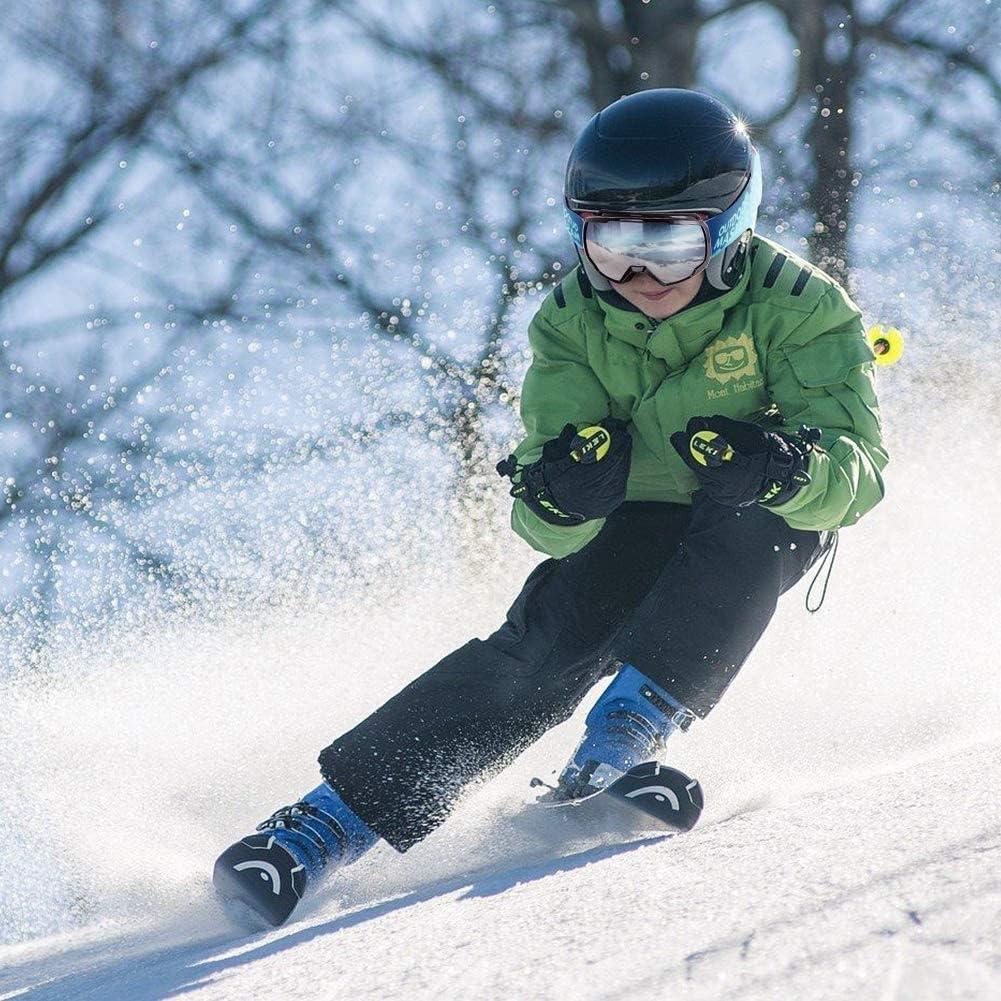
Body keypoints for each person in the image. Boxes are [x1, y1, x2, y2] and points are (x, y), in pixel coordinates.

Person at [213, 88, 888, 927]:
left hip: (749, 514)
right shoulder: (570, 318)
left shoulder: (801, 305)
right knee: (544, 643)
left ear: (725, 231)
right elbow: (539, 517)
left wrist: (783, 467)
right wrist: (563, 492)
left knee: (757, 524)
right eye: (608, 246)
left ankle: (620, 741)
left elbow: (858, 474)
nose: (636, 276)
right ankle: (319, 828)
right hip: (631, 518)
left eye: (669, 245)